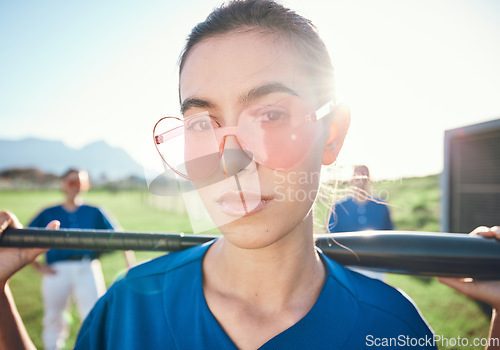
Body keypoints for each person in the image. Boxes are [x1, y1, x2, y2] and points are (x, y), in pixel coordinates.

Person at [0, 1, 498, 349]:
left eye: (270, 115)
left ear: (332, 134)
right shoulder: (126, 308)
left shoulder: (394, 327)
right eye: (201, 123)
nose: (229, 159)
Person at [28, 168, 136, 350]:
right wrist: (37, 266)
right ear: (63, 184)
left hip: (87, 267)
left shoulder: (95, 211)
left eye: (80, 183)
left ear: (86, 186)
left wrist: (130, 265)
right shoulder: (48, 212)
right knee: (54, 317)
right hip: (57, 270)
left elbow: (119, 236)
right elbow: (25, 237)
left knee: (94, 316)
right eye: (71, 182)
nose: (75, 187)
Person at [328, 165, 393, 281]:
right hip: (348, 266)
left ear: (369, 178)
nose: (360, 180)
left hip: (375, 265)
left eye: (364, 175)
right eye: (357, 176)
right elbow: (331, 237)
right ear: (352, 179)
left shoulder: (380, 206)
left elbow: (390, 234)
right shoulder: (340, 207)